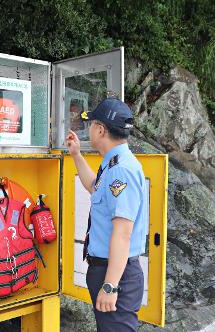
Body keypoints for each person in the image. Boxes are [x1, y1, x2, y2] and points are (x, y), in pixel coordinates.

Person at [66, 98, 147, 332]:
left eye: (91, 124)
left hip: (116, 274)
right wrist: (77, 156)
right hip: (107, 270)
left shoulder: (122, 169)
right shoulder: (112, 163)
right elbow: (95, 186)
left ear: (100, 130)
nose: (89, 129)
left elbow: (123, 233)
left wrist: (110, 285)